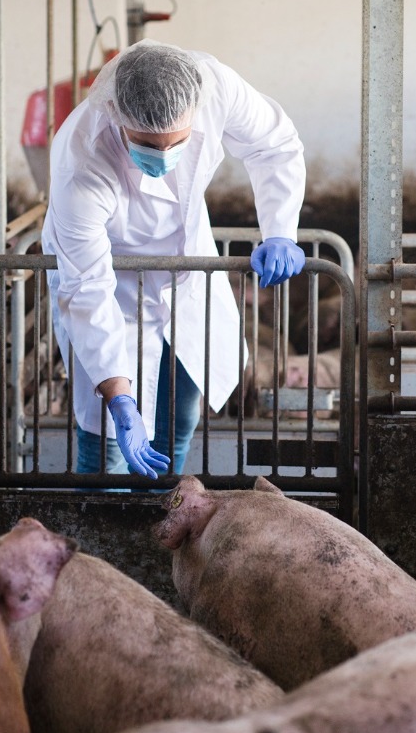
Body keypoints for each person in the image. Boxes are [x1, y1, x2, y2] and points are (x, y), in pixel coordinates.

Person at [40, 41, 307, 479]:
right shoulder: (81, 161)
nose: (164, 156)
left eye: (178, 142)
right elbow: (87, 288)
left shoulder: (214, 86)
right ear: (116, 116)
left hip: (189, 275)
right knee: (107, 443)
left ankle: (165, 513)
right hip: (113, 284)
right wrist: (119, 397)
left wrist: (280, 229)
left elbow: (274, 144)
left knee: (180, 420)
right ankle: (102, 516)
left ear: (196, 112)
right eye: (147, 144)